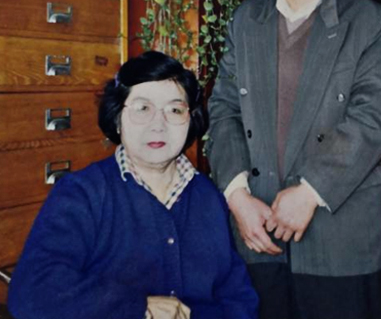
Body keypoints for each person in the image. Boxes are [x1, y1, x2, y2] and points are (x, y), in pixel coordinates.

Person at [207, 0, 381, 319]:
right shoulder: (245, 21)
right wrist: (237, 197)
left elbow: (373, 119)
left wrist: (310, 192)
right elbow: (223, 110)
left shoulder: (369, 22)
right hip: (259, 230)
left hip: (338, 234)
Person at [8, 51, 258, 319]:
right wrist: (139, 307)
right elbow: (32, 292)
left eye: (174, 110)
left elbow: (238, 300)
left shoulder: (208, 197)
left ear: (191, 119)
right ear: (117, 118)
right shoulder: (82, 193)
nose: (158, 125)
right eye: (142, 108)